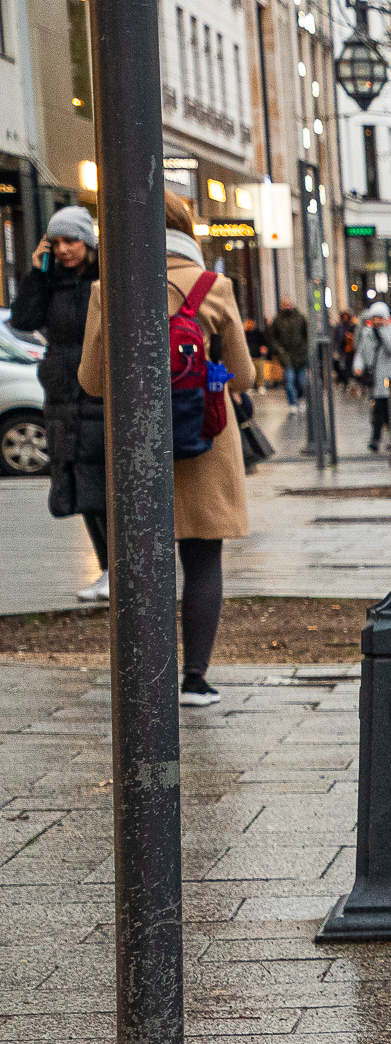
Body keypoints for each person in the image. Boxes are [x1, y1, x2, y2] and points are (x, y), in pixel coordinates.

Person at [80, 192, 253, 708]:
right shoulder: (212, 286)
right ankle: (195, 679)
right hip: (207, 441)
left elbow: (91, 380)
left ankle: (144, 675)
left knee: (140, 562)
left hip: (140, 443)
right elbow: (242, 377)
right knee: (203, 560)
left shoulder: (107, 288)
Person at [12, 206, 107, 601]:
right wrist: (38, 271)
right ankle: (107, 569)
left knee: (104, 481)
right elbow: (22, 319)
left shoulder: (104, 279)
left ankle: (122, 566)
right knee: (80, 484)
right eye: (57, 242)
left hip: (98, 392)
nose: (65, 249)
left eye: (72, 241)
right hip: (62, 397)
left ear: (88, 242)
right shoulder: (49, 282)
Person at [353, 301, 391, 451]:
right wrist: (358, 366)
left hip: (389, 377)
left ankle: (388, 439)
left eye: (379, 317)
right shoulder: (367, 334)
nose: (376, 321)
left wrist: (384, 331)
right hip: (375, 377)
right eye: (374, 318)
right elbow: (361, 352)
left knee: (388, 408)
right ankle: (377, 439)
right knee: (378, 409)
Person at [268, 297, 309, 409]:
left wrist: (305, 348)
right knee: (289, 379)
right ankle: (292, 402)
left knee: (301, 381)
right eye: (285, 304)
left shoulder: (300, 318)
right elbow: (273, 337)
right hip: (286, 354)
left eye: (289, 304)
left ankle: (301, 398)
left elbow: (306, 335)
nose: (287, 306)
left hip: (300, 353)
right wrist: (279, 350)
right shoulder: (278, 320)